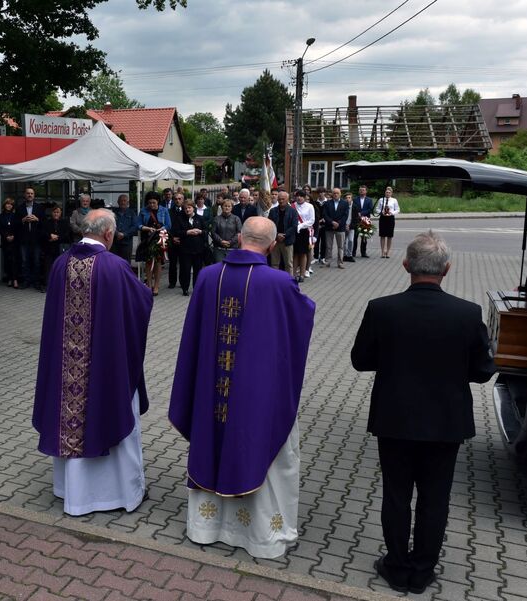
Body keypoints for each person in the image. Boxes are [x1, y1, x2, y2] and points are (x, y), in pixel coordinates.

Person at [351, 231, 495, 594]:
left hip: (394, 419)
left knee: (396, 494)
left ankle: (396, 565)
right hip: (446, 423)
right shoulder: (467, 313)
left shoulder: (381, 308)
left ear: (405, 266)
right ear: (447, 269)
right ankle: (423, 569)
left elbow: (360, 360)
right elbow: (481, 372)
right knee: (435, 497)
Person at [169, 216, 315, 559]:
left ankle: (205, 527)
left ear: (237, 238)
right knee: (261, 444)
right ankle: (260, 535)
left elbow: (193, 338)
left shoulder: (207, 276)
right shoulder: (279, 283)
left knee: (212, 436)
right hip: (256, 394)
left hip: (211, 390)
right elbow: (301, 318)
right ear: (273, 243)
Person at [32, 209, 153, 516]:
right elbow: (140, 303)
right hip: (105, 367)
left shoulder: (61, 263)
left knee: (68, 411)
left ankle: (70, 490)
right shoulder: (115, 266)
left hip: (66, 370)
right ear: (109, 234)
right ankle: (114, 494)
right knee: (111, 410)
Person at [136, 192, 172, 295]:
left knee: (158, 262)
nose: (151, 205)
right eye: (149, 203)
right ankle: (148, 284)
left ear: (158, 202)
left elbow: (169, 225)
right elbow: (138, 225)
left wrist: (161, 228)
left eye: (154, 203)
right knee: (148, 262)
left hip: (160, 238)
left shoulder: (164, 210)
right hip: (147, 238)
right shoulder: (143, 211)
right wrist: (146, 228)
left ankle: (156, 285)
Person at [171, 201, 207, 296]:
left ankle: (197, 288)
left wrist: (200, 231)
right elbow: (176, 232)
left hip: (198, 249)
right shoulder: (179, 219)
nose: (187, 210)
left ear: (193, 208)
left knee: (197, 270)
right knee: (185, 270)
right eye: (185, 208)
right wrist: (187, 232)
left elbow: (206, 231)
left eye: (189, 208)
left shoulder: (200, 218)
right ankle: (185, 288)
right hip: (185, 249)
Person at [17, 187, 46, 290]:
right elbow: (15, 224)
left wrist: (37, 219)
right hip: (24, 239)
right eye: (28, 193)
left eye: (31, 193)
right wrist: (23, 220)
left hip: (36, 240)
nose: (30, 195)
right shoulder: (19, 208)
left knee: (36, 261)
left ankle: (36, 282)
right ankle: (26, 281)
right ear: (25, 195)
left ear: (34, 195)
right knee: (25, 262)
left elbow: (45, 223)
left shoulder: (40, 208)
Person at [39, 205, 70, 291]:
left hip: (60, 249)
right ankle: (47, 285)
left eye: (58, 212)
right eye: (54, 212)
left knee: (60, 268)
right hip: (49, 248)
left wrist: (57, 237)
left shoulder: (64, 223)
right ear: (52, 213)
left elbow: (67, 235)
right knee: (48, 267)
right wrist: (50, 236)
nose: (56, 214)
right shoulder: (46, 222)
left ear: (60, 213)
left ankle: (60, 286)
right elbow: (42, 233)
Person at [267, 191, 295, 275]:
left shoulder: (293, 211)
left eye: (283, 199)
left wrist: (284, 235)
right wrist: (277, 235)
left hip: (287, 241)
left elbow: (294, 226)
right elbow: (270, 225)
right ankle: (274, 281)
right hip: (275, 241)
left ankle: (289, 282)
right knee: (274, 263)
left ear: (287, 199)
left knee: (288, 264)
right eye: (279, 199)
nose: (281, 201)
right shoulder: (273, 211)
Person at [322, 187, 349, 269]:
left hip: (340, 227)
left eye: (337, 193)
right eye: (334, 193)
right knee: (328, 246)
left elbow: (345, 215)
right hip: (329, 227)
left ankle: (340, 262)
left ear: (340, 194)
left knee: (340, 246)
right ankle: (328, 262)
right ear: (332, 194)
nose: (336, 194)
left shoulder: (345, 203)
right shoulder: (327, 203)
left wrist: (338, 223)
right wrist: (332, 222)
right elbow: (325, 215)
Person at [291, 190, 315, 283]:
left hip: (304, 231)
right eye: (297, 196)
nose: (299, 198)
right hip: (294, 231)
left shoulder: (310, 206)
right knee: (295, 253)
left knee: (303, 253)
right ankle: (293, 274)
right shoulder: (292, 205)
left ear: (305, 197)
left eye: (301, 196)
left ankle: (302, 274)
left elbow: (311, 220)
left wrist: (300, 225)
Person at [0, 197, 20, 289]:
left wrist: (13, 236)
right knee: (7, 260)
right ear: (4, 205)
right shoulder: (0, 217)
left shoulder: (15, 216)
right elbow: (0, 229)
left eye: (11, 204)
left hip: (14, 241)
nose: (9, 205)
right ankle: (9, 278)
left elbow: (18, 228)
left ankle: (15, 280)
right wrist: (6, 236)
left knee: (14, 260)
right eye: (7, 204)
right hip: (5, 241)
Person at [166, 192, 186, 289]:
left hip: (183, 240)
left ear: (183, 200)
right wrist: (172, 237)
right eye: (176, 199)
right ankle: (172, 282)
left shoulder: (186, 211)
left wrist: (181, 238)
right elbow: (167, 227)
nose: (177, 201)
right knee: (172, 263)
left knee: (183, 263)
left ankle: (183, 282)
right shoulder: (169, 212)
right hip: (172, 240)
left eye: (179, 199)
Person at [110, 194, 137, 263]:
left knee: (126, 263)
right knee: (114, 262)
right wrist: (117, 233)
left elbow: (134, 227)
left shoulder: (132, 213)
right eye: (121, 201)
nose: (123, 202)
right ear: (118, 202)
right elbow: (109, 225)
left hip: (126, 243)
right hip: (114, 243)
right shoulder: (113, 212)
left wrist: (124, 234)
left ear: (128, 203)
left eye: (125, 201)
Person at [375, 186, 400, 259]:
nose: (388, 193)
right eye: (386, 192)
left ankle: (388, 252)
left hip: (390, 218)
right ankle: (382, 252)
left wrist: (392, 213)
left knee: (389, 236)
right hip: (383, 218)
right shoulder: (381, 199)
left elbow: (398, 209)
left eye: (389, 192)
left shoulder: (394, 200)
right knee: (382, 235)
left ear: (391, 193)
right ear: (385, 193)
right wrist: (381, 212)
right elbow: (377, 208)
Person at [354, 185, 374, 258]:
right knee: (354, 237)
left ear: (366, 191)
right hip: (356, 220)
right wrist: (357, 213)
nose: (361, 191)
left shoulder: (369, 200)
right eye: (360, 190)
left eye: (363, 190)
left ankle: (363, 252)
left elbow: (370, 209)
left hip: (365, 220)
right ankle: (353, 252)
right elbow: (353, 208)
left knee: (364, 237)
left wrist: (361, 213)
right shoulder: (355, 199)